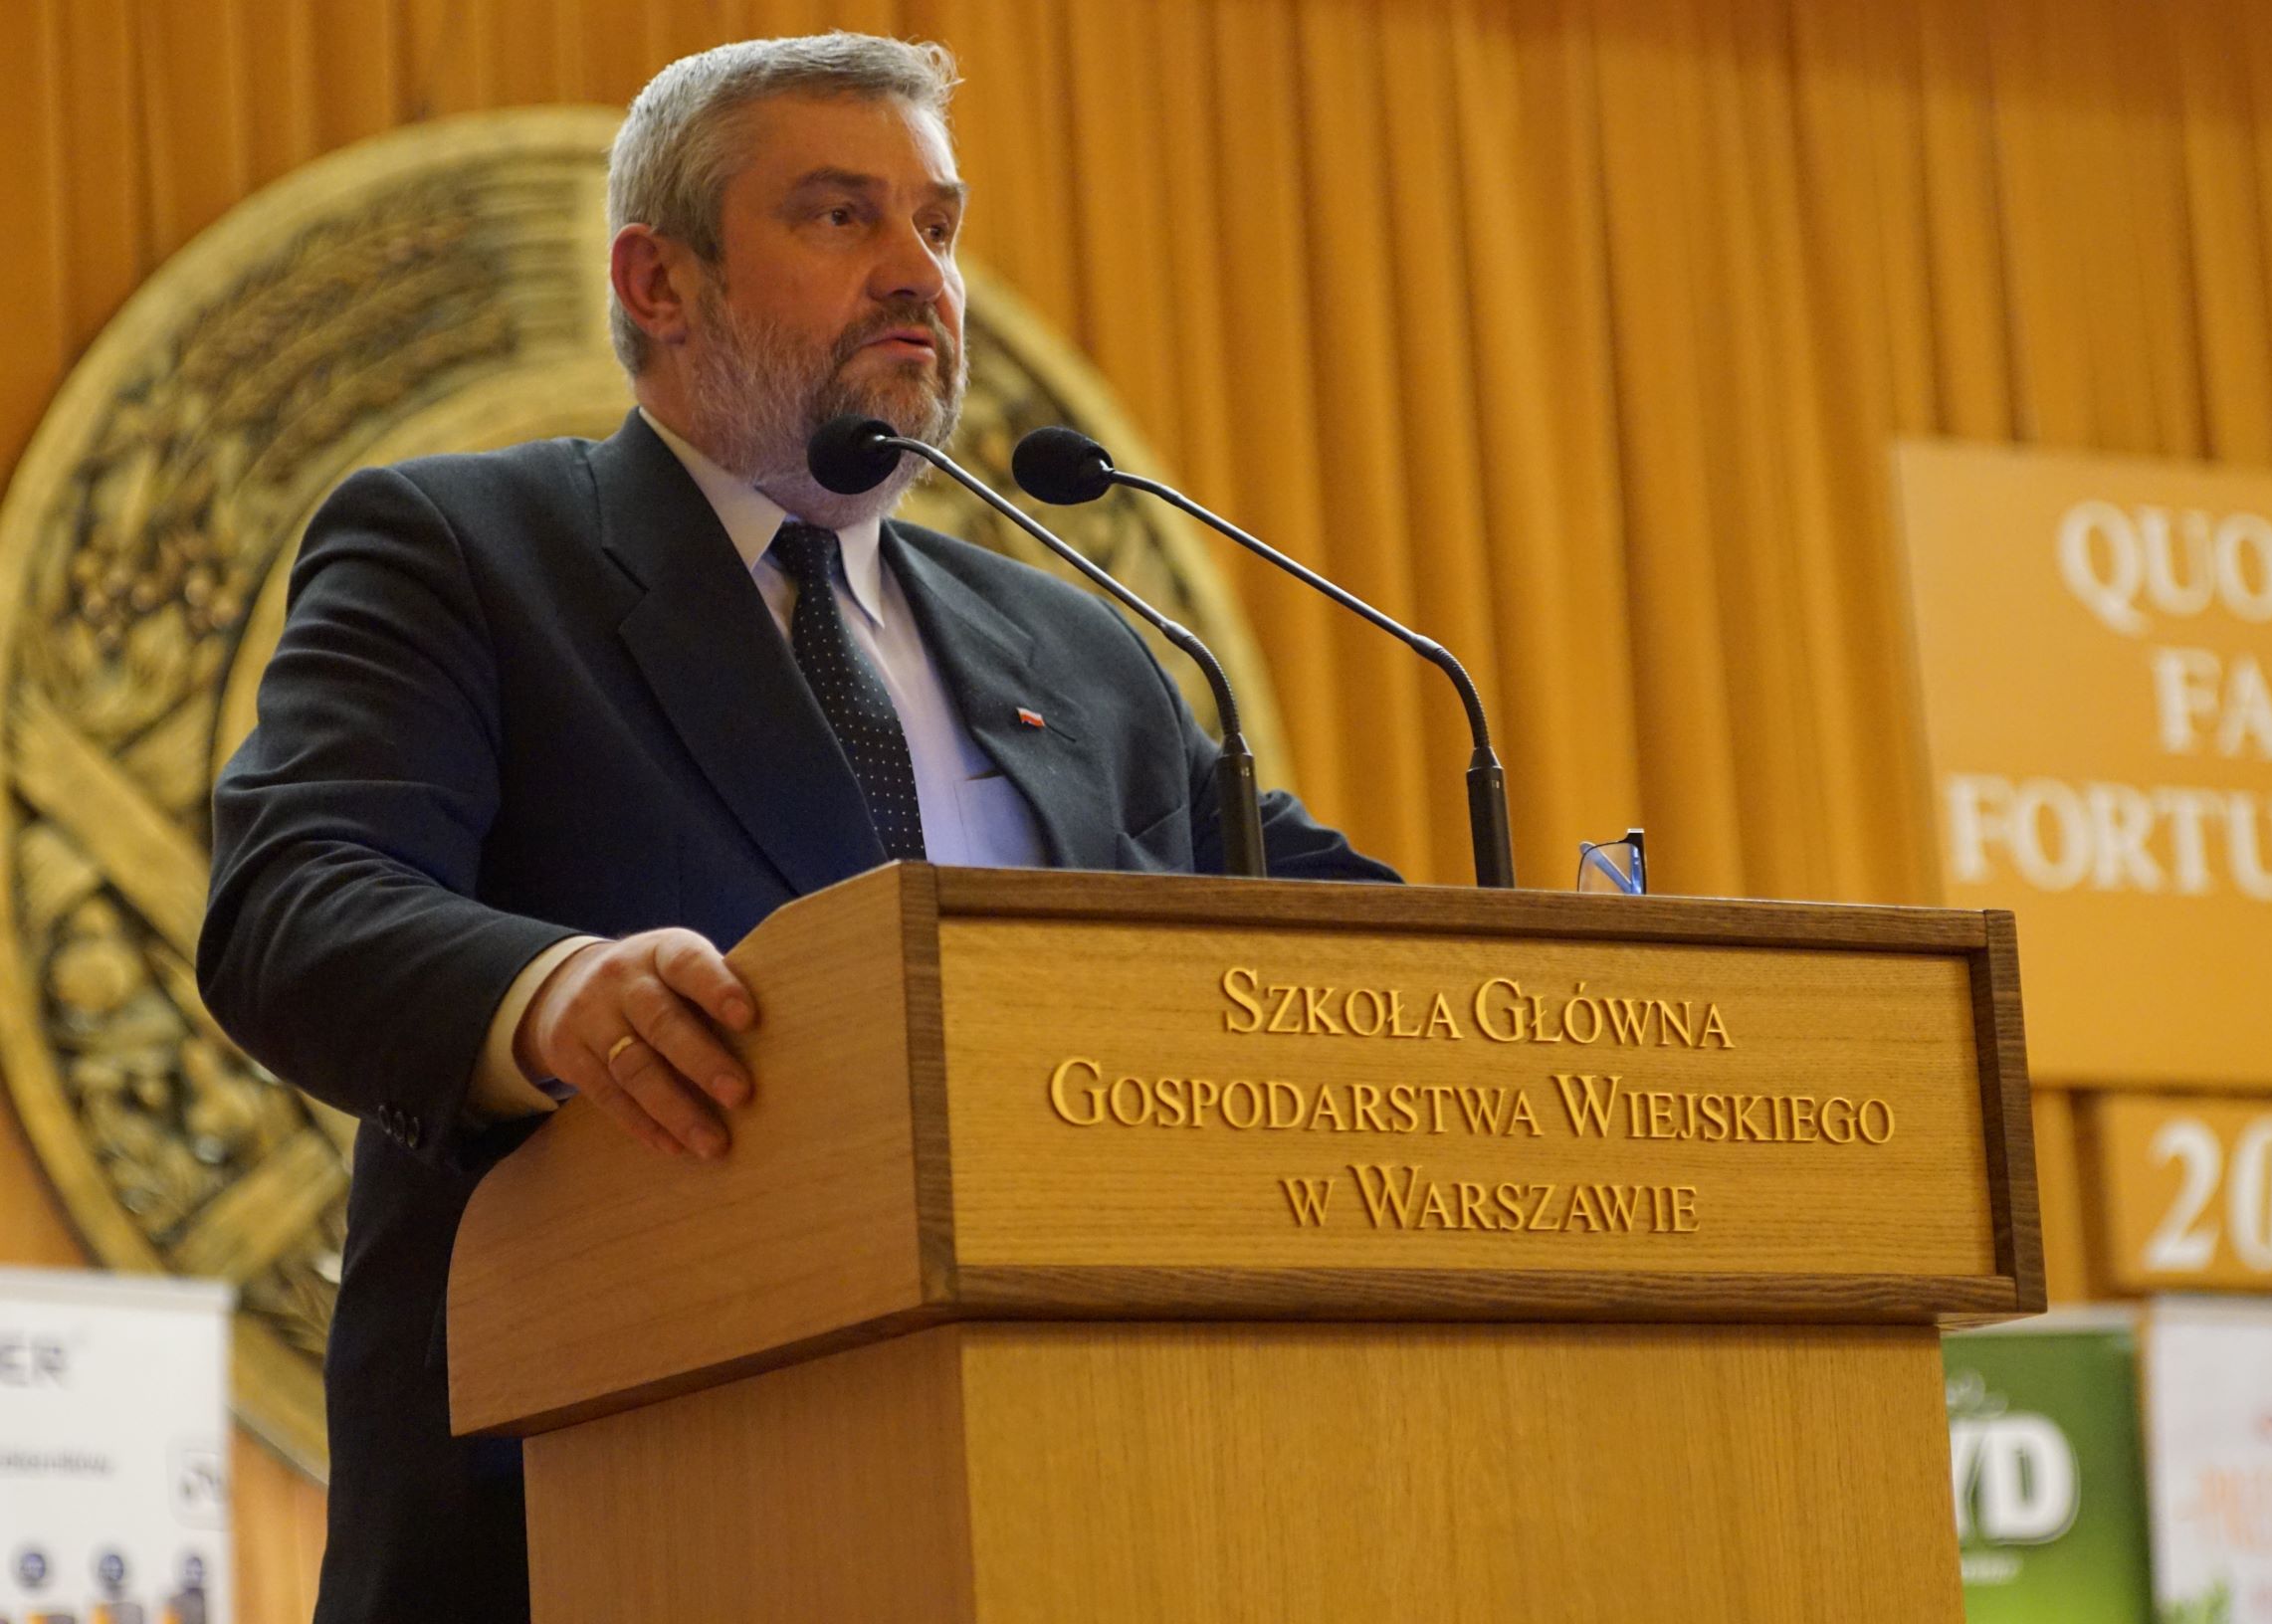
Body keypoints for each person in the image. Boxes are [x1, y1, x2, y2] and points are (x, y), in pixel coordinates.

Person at [198, 33, 1394, 1624]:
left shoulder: (1075, 646)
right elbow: (294, 901)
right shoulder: (471, 552)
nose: (918, 274)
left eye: (938, 225)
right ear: (658, 280)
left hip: (1084, 1504)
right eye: (841, 216)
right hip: (596, 1511)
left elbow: (1353, 948)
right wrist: (552, 998)